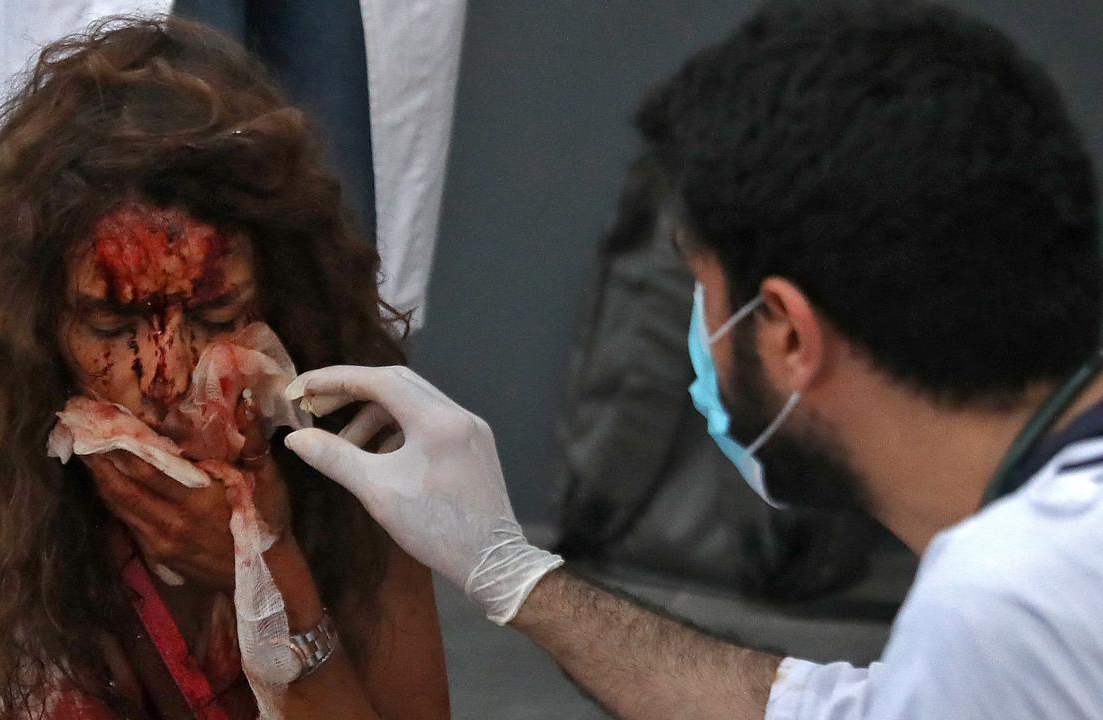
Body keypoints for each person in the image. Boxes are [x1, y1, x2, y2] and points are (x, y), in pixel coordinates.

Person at [281, 1, 1103, 718]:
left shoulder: (1008, 602)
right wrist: (512, 573)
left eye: (702, 293)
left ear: (786, 333)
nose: (700, 344)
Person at [0, 17, 448, 719]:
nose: (166, 379)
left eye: (216, 317)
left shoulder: (362, 488)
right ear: (35, 321)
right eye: (111, 325)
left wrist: (276, 591)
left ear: (287, 300)